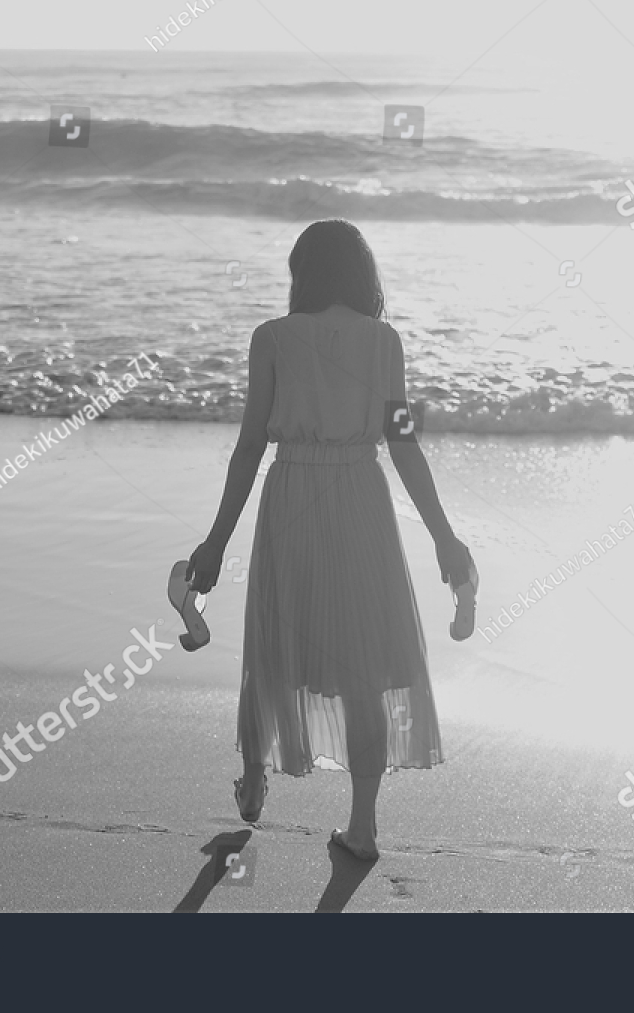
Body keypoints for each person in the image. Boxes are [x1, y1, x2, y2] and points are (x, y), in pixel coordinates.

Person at [185, 218, 472, 861]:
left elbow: (250, 446)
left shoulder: (273, 338)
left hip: (291, 494)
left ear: (302, 274)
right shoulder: (384, 342)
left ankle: (255, 778)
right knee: (364, 666)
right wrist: (444, 539)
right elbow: (402, 443)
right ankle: (362, 827)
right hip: (363, 499)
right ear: (364, 275)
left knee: (274, 644)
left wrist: (215, 543)